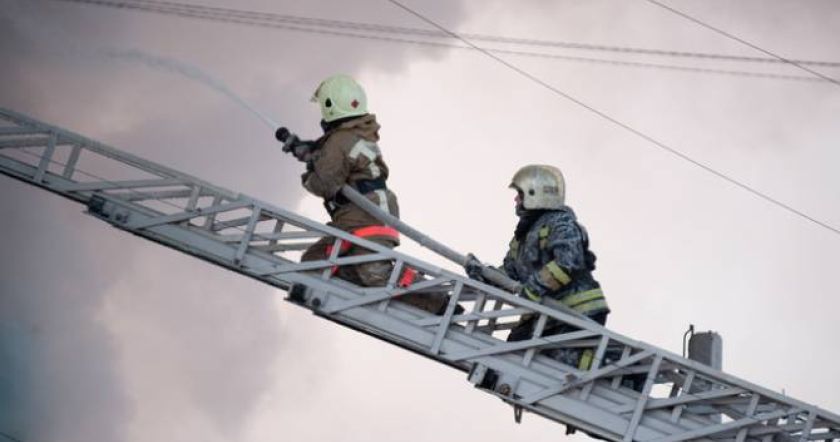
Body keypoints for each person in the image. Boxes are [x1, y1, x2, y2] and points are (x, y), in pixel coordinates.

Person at [293, 74, 448, 314]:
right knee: (316, 261)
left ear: (329, 106)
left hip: (364, 216)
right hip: (369, 212)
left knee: (374, 273)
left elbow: (325, 183)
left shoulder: (339, 140)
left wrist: (310, 172)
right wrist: (315, 154)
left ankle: (437, 300)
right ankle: (309, 289)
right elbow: (337, 163)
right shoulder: (355, 135)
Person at [466, 164, 609, 369]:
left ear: (536, 194)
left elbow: (568, 262)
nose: (515, 200)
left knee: (561, 370)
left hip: (576, 311)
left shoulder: (561, 223)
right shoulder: (523, 237)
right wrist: (483, 274)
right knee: (505, 363)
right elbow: (509, 274)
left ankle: (617, 372)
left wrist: (533, 288)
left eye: (520, 194)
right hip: (544, 314)